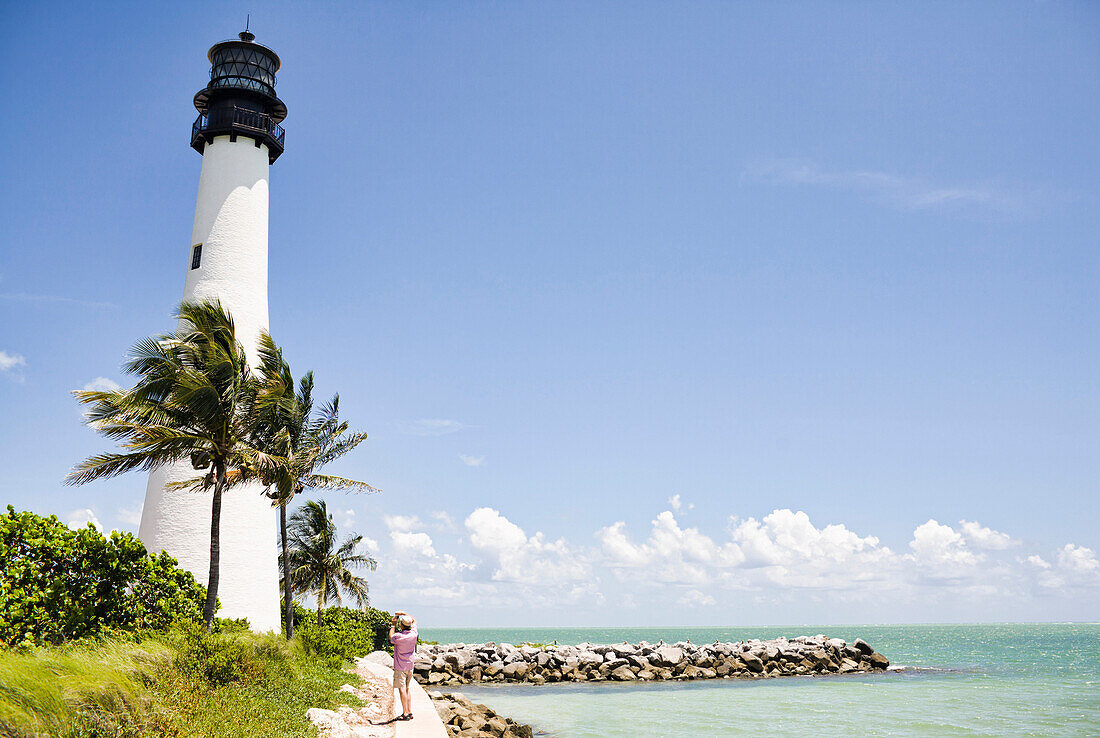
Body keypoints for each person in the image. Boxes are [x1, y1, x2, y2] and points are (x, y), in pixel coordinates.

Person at [389, 611, 418, 721]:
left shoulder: (398, 636)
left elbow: (391, 637)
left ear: (401, 625)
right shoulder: (414, 634)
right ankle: (409, 711)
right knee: (407, 689)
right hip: (410, 666)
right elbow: (414, 621)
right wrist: (404, 613)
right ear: (410, 625)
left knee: (402, 690)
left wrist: (393, 624)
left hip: (400, 667)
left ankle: (405, 713)